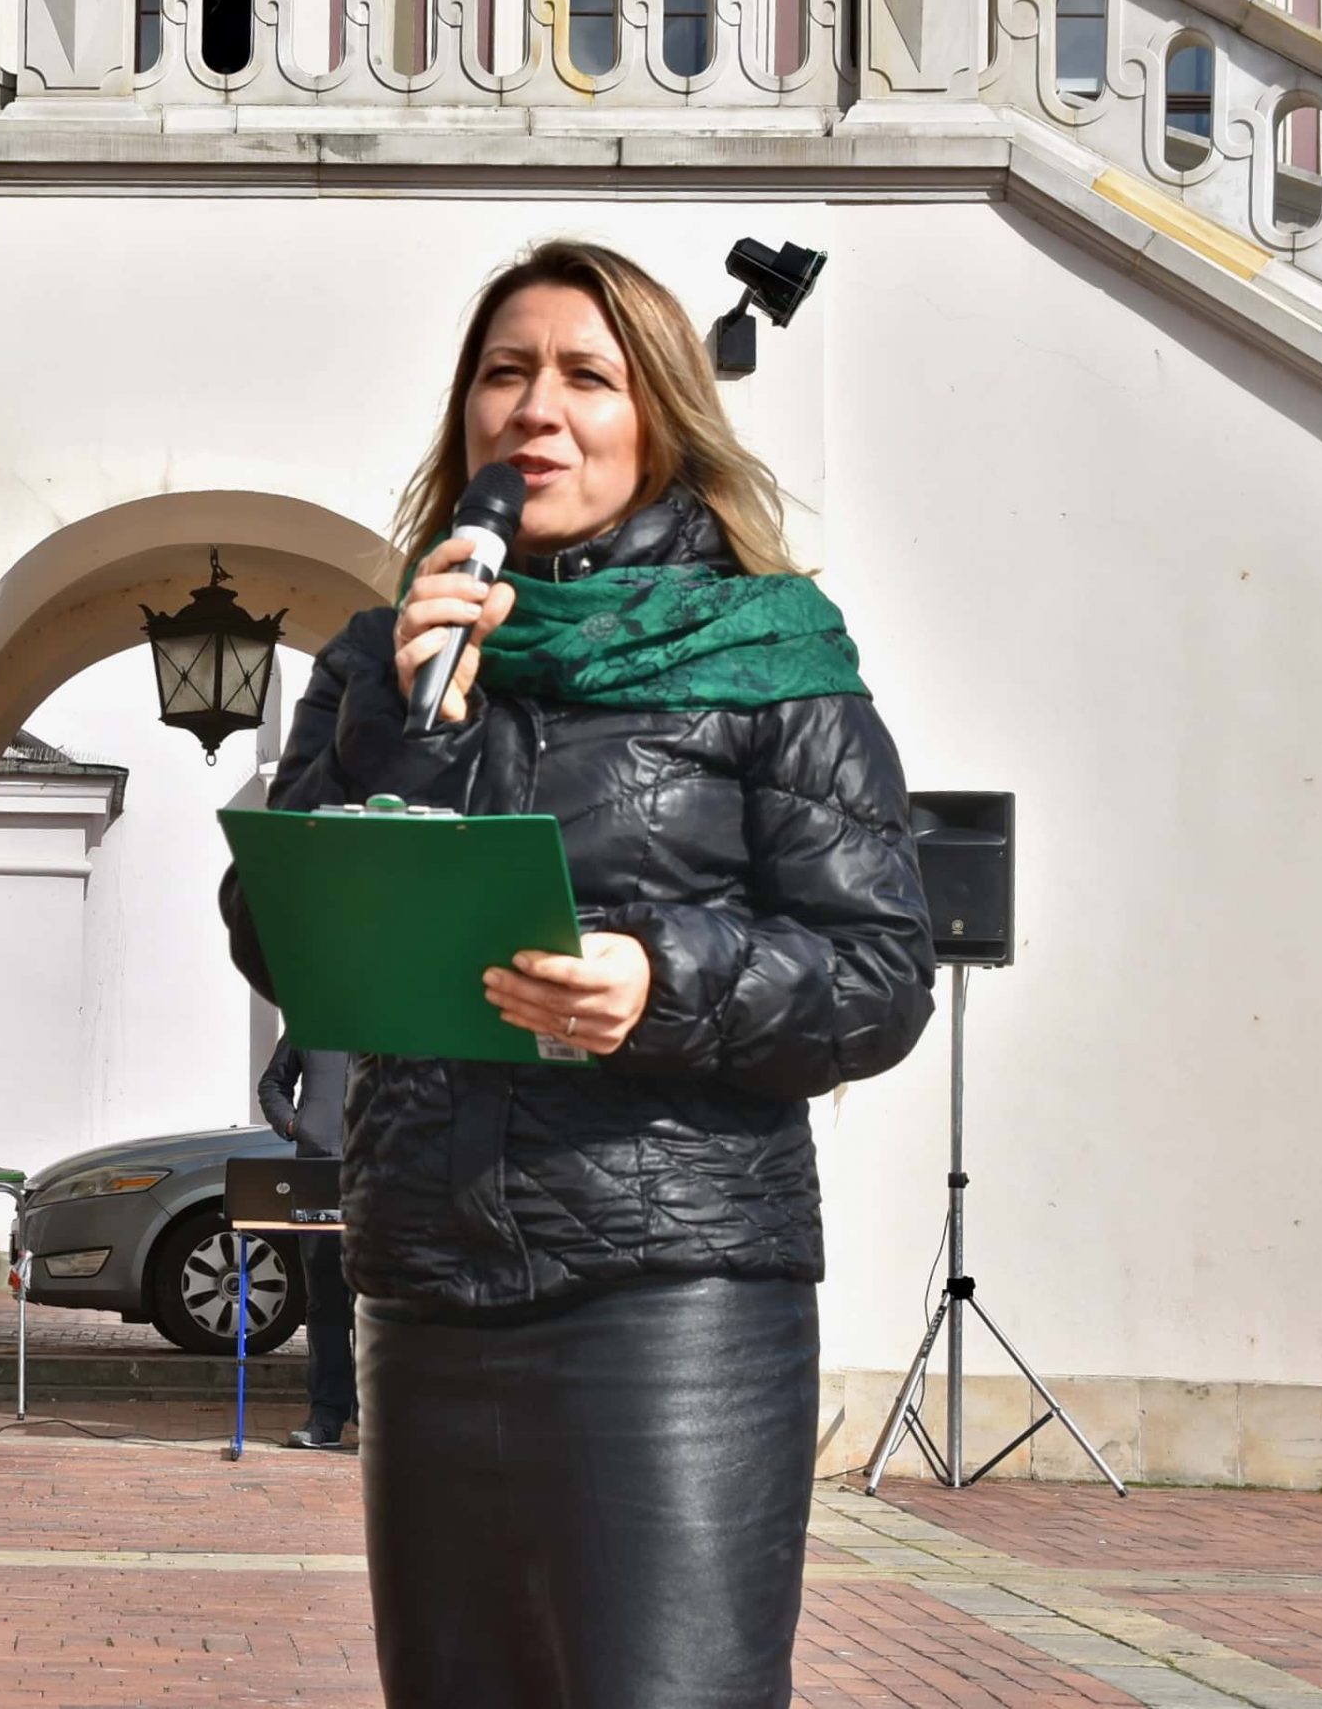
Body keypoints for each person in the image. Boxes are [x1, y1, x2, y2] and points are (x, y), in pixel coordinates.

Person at [220, 240, 934, 1709]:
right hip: (424, 1281)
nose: (534, 408)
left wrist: (658, 979)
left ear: (658, 417)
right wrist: (407, 735)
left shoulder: (769, 652)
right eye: (503, 372)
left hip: (672, 1293)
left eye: (584, 376)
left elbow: (877, 968)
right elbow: (277, 932)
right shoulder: (379, 661)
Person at [257, 1029, 355, 1449]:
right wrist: (294, 1124)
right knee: (326, 1300)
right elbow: (273, 1084)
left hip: (387, 1172)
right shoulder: (309, 1020)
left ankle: (381, 1420)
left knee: (381, 1303)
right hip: (318, 1172)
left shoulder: (400, 1015)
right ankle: (326, 1416)